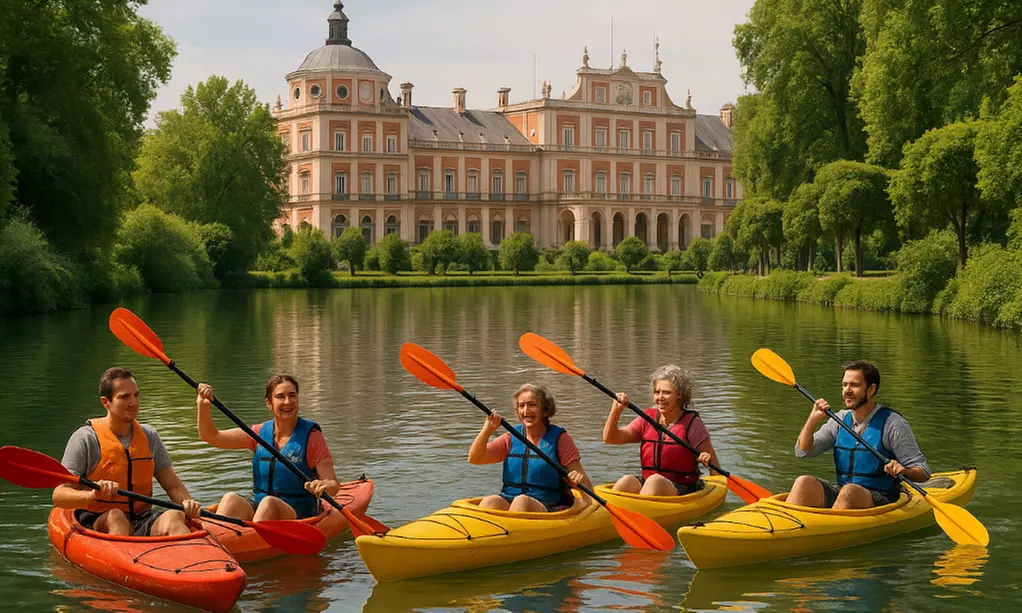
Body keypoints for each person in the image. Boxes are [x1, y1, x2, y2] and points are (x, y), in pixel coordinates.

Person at [53, 367, 202, 536]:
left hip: (142, 518)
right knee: (116, 517)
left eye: (136, 395)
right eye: (124, 397)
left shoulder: (149, 436)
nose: (134, 403)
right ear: (106, 402)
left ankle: (200, 560)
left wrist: (188, 503)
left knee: (174, 515)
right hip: (98, 520)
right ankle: (119, 559)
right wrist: (92, 494)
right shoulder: (86, 439)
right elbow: (59, 495)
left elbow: (173, 486)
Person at [787, 360, 931, 509]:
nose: (847, 390)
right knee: (804, 482)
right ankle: (789, 527)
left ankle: (831, 528)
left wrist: (903, 470)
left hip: (881, 497)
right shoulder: (839, 420)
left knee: (850, 492)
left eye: (854, 385)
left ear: (871, 389)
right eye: (844, 385)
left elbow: (923, 471)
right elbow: (802, 452)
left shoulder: (893, 424)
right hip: (844, 492)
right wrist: (812, 420)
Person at [195, 374, 340, 521]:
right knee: (230, 498)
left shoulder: (312, 437)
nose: (287, 402)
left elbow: (333, 485)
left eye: (292, 395)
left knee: (269, 503)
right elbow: (211, 436)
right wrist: (203, 405)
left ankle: (253, 539)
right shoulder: (258, 433)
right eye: (280, 396)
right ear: (268, 403)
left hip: (298, 515)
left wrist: (323, 485)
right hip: (261, 509)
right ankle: (214, 539)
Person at [468, 383, 592, 512]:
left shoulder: (561, 439)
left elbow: (586, 487)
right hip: (511, 498)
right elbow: (475, 458)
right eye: (521, 406)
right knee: (490, 501)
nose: (526, 411)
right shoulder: (511, 438)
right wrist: (487, 431)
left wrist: (577, 480)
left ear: (545, 410)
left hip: (549, 505)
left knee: (522, 501)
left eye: (532, 405)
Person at [604, 364, 719, 496]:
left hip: (683, 489)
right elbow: (610, 438)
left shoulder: (693, 424)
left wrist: (708, 462)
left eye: (667, 392)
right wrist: (616, 410)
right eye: (657, 392)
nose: (660, 397)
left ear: (680, 395)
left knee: (655, 481)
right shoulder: (647, 419)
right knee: (626, 481)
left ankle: (642, 511)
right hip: (650, 485)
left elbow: (716, 471)